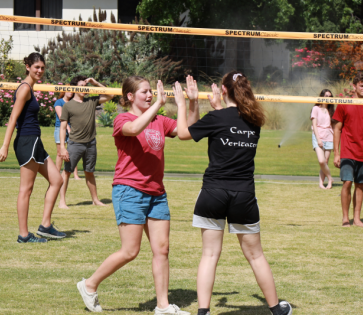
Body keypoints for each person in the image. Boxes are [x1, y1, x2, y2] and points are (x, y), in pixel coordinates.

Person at [172, 72, 292, 315]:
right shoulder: (254, 120)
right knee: (256, 256)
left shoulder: (216, 117)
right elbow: (232, 123)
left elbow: (184, 133)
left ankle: (203, 312)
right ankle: (276, 309)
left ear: (222, 91)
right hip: (243, 196)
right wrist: (218, 106)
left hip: (213, 192)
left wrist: (184, 103)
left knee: (209, 255)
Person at [76, 76, 196, 314]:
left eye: (151, 91)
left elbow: (188, 132)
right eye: (144, 92)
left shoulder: (159, 120)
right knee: (130, 250)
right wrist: (157, 106)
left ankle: (162, 306)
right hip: (129, 190)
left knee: (162, 249)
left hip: (156, 193)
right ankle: (89, 284)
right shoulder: (123, 119)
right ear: (130, 97)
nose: (150, 95)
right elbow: (134, 128)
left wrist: (189, 104)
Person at [0, 52, 65, 243]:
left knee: (57, 180)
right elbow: (13, 118)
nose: (40, 71)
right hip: (27, 142)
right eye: (36, 67)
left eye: (42, 68)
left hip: (36, 142)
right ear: (27, 66)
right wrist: (5, 146)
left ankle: (45, 226)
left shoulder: (30, 88)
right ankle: (24, 235)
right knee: (26, 189)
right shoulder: (25, 88)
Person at [333, 72, 363, 228]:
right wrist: (336, 153)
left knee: (360, 185)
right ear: (354, 86)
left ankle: (357, 219)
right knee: (347, 182)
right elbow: (337, 129)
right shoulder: (344, 104)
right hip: (347, 151)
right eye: (361, 85)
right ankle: (345, 218)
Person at [59, 76, 112, 209]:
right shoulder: (68, 106)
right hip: (75, 144)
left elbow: (110, 94)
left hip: (91, 143)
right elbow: (62, 127)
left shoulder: (92, 101)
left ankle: (95, 200)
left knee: (89, 172)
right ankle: (62, 202)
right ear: (75, 88)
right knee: (67, 172)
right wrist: (62, 147)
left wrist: (95, 83)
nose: (84, 88)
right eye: (81, 85)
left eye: (86, 85)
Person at [54, 91, 81, 182]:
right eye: (69, 90)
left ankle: (75, 175)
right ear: (64, 91)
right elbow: (62, 117)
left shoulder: (73, 102)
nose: (70, 92)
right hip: (60, 128)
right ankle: (57, 175)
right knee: (60, 153)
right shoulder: (59, 102)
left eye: (72, 91)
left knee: (73, 152)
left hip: (72, 129)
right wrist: (68, 128)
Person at [311, 89, 335, 189]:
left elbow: (333, 127)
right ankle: (330, 178)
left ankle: (321, 183)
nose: (328, 98)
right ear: (322, 96)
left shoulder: (331, 111)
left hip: (329, 136)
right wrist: (319, 139)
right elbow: (314, 125)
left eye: (330, 97)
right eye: (326, 96)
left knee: (325, 161)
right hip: (318, 136)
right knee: (321, 161)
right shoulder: (316, 108)